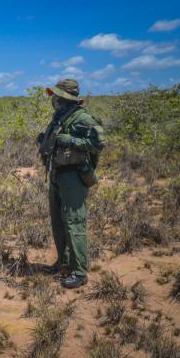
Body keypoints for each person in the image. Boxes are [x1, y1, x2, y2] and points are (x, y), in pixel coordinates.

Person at [38, 79, 106, 289]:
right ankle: (64, 262)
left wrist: (72, 141)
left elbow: (99, 143)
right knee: (58, 221)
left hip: (73, 176)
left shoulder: (82, 118)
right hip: (57, 173)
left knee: (74, 222)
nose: (53, 99)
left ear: (66, 98)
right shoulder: (61, 116)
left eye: (57, 96)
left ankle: (79, 271)